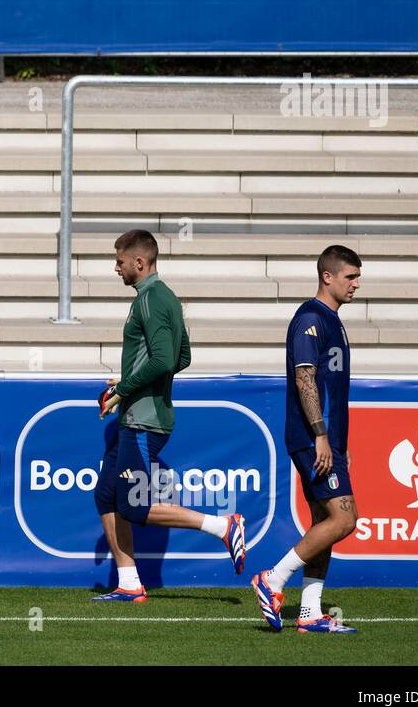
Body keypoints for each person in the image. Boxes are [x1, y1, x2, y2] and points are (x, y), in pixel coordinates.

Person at [92, 229, 246, 603]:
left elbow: (163, 360)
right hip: (140, 415)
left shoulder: (150, 299)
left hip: (144, 420)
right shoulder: (167, 298)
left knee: (133, 505)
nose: (116, 268)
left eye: (120, 261)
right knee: (106, 494)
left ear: (139, 263)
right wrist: (132, 380)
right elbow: (182, 358)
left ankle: (222, 525)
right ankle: (129, 582)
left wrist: (125, 387)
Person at [251, 245, 361, 634]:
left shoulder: (333, 320)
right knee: (345, 518)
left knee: (324, 521)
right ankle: (273, 580)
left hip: (326, 437)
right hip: (311, 436)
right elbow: (304, 378)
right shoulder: (311, 319)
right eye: (350, 276)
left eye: (357, 277)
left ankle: (311, 611)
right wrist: (320, 436)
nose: (356, 284)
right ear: (327, 276)